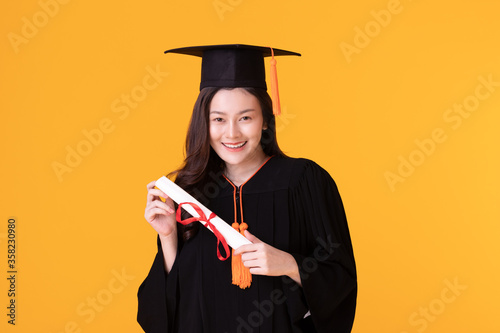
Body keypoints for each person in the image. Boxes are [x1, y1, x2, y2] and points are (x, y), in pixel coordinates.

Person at [137, 44, 357, 333]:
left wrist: (290, 264)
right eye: (218, 119)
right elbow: (174, 304)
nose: (231, 133)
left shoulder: (304, 181)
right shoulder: (191, 192)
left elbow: (340, 279)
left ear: (265, 120)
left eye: (245, 118)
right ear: (204, 122)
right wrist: (168, 238)